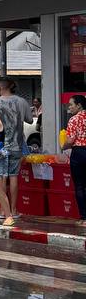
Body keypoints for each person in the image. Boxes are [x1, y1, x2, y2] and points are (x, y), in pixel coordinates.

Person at [0, 78, 33, 220]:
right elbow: (30, 120)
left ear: (1, 87)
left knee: (2, 177)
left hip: (0, 146)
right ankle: (14, 210)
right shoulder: (22, 101)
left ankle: (2, 210)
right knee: (13, 177)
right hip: (17, 145)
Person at [61, 95, 86, 225]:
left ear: (79, 105)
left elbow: (70, 141)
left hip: (79, 153)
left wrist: (63, 146)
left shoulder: (74, 119)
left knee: (80, 186)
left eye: (71, 104)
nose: (69, 107)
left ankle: (84, 218)